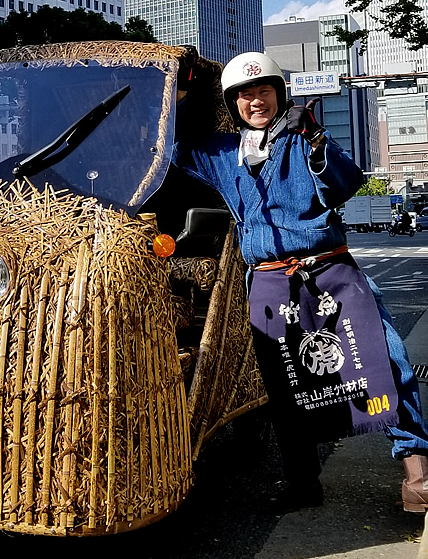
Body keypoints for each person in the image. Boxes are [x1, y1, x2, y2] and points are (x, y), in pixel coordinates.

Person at [174, 50, 428, 513]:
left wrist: (315, 140)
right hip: (270, 282)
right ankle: (303, 483)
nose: (256, 101)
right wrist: (188, 90)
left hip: (329, 267)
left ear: (279, 94)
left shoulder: (305, 138)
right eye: (245, 95)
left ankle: (417, 469)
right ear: (233, 104)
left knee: (386, 355)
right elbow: (179, 145)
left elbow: (345, 183)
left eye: (264, 91)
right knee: (285, 382)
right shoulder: (224, 154)